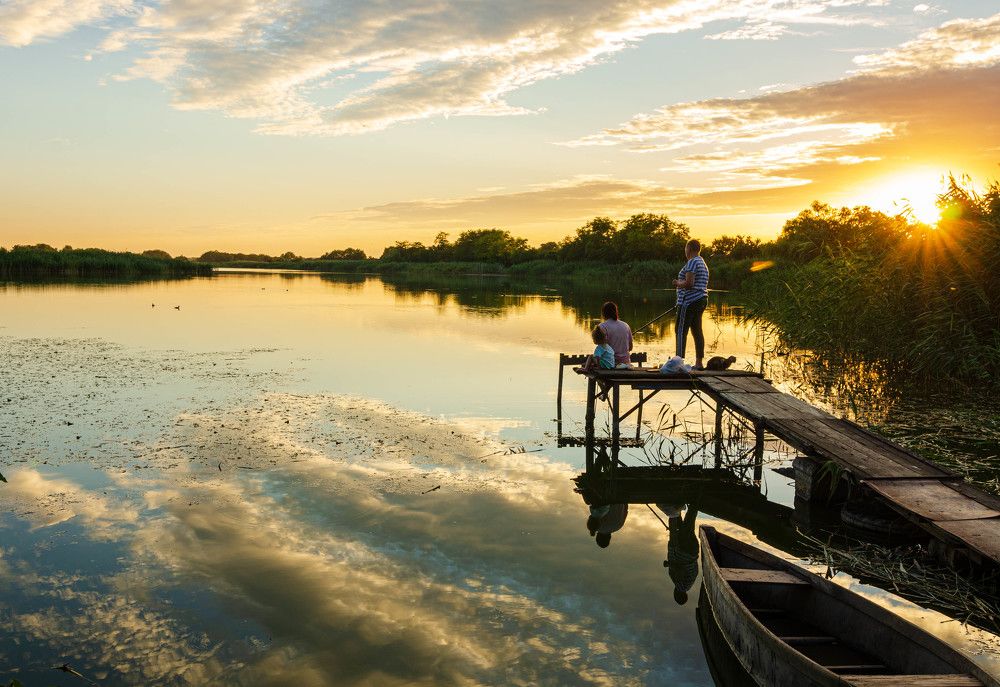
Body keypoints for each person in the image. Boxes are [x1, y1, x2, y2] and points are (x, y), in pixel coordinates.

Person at [672, 239, 709, 370]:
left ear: (689, 249)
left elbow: (689, 283)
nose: (685, 251)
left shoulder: (692, 262)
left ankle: (678, 363)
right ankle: (699, 363)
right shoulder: (702, 262)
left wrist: (677, 283)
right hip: (701, 299)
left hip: (689, 301)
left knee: (680, 330)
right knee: (697, 330)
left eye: (685, 248)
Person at [598, 301, 633, 368]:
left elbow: (601, 349)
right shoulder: (626, 325)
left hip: (610, 363)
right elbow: (630, 347)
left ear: (604, 313)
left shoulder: (602, 326)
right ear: (616, 312)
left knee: (593, 358)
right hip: (625, 363)